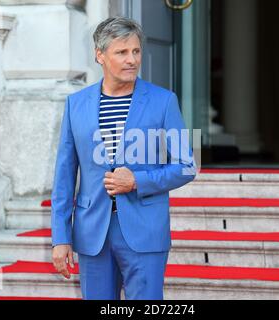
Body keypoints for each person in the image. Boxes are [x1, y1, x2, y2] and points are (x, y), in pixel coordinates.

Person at [51, 16, 196, 300]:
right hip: (93, 233)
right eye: (122, 52)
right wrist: (61, 237)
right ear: (100, 55)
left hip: (145, 230)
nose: (132, 60)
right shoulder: (75, 104)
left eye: (136, 51)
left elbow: (188, 165)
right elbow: (64, 176)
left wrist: (137, 181)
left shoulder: (164, 100)